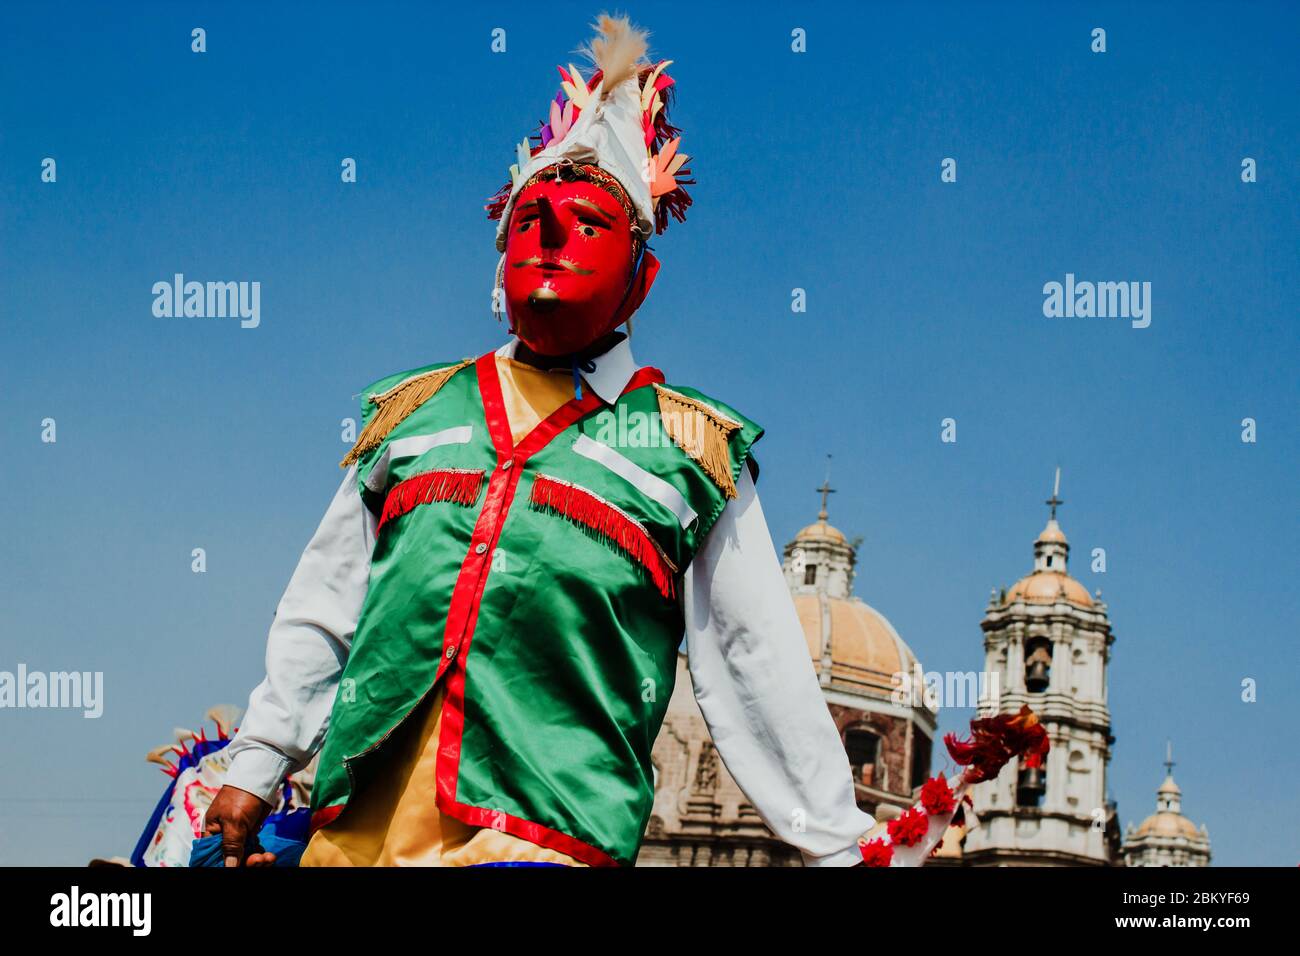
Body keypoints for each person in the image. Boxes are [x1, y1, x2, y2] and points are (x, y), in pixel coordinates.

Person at [203, 14, 875, 868]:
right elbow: (325, 604)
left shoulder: (691, 452)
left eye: (588, 224)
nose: (552, 240)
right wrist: (259, 759)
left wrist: (840, 847)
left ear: (644, 276)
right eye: (530, 224)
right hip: (355, 838)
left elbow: (756, 661)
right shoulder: (414, 414)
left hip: (544, 843)